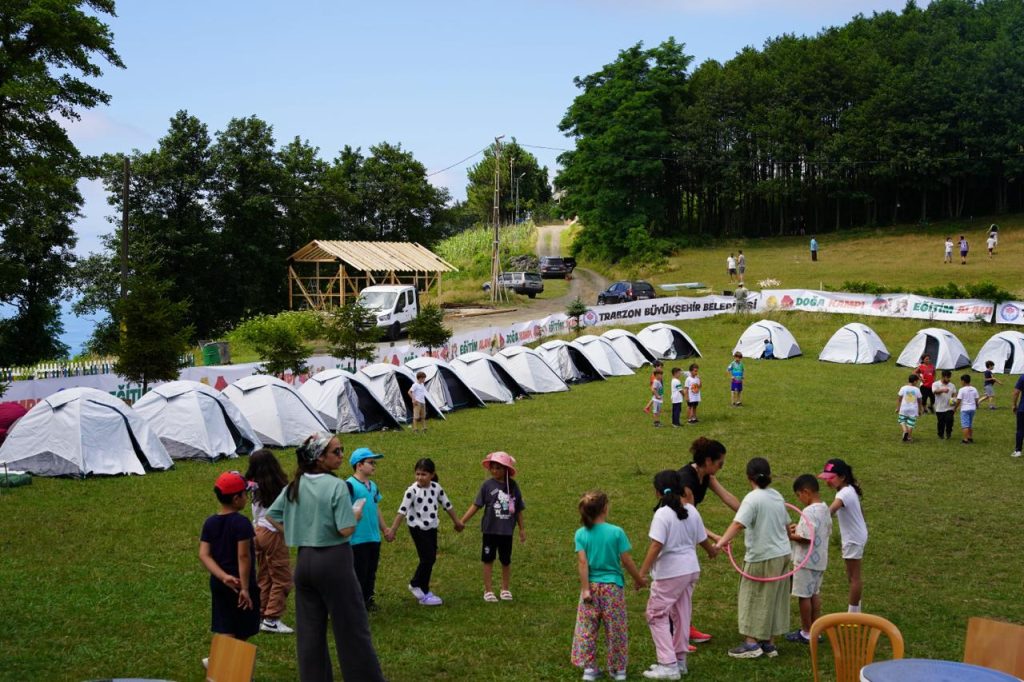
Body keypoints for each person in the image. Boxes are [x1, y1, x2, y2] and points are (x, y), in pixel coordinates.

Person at [265, 433, 385, 681]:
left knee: (310, 632)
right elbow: (345, 529)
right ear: (319, 458)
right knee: (351, 627)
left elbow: (271, 516)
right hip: (334, 560)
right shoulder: (336, 485)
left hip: (305, 561)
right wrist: (356, 515)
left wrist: (300, 531)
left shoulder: (295, 484)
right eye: (337, 452)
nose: (342, 456)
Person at [639, 471, 718, 680]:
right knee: (682, 614)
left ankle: (668, 664)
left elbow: (656, 545)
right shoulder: (691, 510)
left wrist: (642, 573)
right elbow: (702, 539)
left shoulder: (662, 514)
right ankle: (680, 661)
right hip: (690, 570)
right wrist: (712, 551)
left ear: (657, 492)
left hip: (670, 573)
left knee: (656, 615)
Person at [714, 457, 791, 659]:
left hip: (762, 556)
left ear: (749, 477)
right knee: (774, 597)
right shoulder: (777, 495)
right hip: (782, 554)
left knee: (752, 595)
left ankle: (751, 643)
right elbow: (786, 525)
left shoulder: (752, 498)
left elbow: (739, 524)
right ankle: (769, 643)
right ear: (770, 476)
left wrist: (721, 542)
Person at [571, 491, 645, 682]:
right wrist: (639, 579)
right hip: (613, 588)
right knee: (616, 629)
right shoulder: (616, 532)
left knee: (587, 628)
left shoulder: (581, 534)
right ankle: (618, 670)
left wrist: (585, 588)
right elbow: (626, 561)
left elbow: (582, 562)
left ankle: (589, 669)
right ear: (605, 508)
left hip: (591, 588)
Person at [678, 438, 740, 649]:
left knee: (687, 582)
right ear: (708, 460)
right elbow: (688, 519)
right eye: (720, 463)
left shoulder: (706, 476)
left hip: (686, 532)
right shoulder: (686, 483)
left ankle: (685, 626)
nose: (720, 468)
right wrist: (714, 539)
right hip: (675, 533)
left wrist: (751, 513)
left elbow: (727, 497)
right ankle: (678, 633)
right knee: (678, 583)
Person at [390, 457, 464, 606]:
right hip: (417, 527)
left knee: (431, 558)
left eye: (423, 474)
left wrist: (457, 522)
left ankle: (424, 590)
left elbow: (447, 505)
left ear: (432, 474)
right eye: (417, 474)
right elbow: (402, 511)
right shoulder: (412, 491)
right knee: (427, 558)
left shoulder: (436, 488)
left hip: (431, 526)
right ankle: (415, 584)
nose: (419, 477)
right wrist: (393, 530)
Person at [199, 471, 260, 646]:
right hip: (241, 582)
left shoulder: (210, 522)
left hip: (220, 583)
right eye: (245, 494)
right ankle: (222, 664)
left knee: (226, 624)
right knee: (244, 626)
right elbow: (243, 555)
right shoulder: (241, 523)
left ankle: (223, 661)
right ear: (236, 498)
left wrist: (222, 576)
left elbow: (204, 554)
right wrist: (245, 588)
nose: (247, 497)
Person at [460, 451, 526, 602]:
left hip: (507, 532)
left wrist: (522, 529)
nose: (495, 471)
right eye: (493, 467)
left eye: (499, 468)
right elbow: (476, 505)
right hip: (490, 531)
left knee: (505, 560)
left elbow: (518, 509)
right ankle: (488, 590)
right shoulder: (487, 486)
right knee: (488, 559)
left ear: (507, 469)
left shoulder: (513, 486)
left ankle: (505, 589)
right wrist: (462, 521)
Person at [244, 450, 293, 634]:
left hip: (257, 531)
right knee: (282, 576)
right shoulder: (279, 487)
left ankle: (261, 612)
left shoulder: (253, 486)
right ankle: (272, 618)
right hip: (272, 533)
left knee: (264, 575)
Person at [784, 475, 832, 645]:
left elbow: (806, 538)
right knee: (814, 594)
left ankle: (806, 631)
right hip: (820, 560)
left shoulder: (808, 511)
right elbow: (818, 531)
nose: (799, 499)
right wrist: (798, 529)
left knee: (803, 596)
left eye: (799, 495)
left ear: (806, 492)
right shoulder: (825, 508)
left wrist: (789, 535)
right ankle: (815, 630)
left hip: (806, 561)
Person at [346, 447, 394, 611]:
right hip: (357, 538)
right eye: (371, 462)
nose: (374, 466)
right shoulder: (350, 485)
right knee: (359, 571)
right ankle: (356, 602)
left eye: (374, 462)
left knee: (371, 570)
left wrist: (384, 529)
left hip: (373, 537)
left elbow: (376, 507)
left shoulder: (372, 485)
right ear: (359, 465)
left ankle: (368, 599)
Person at [818, 458, 867, 613]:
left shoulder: (844, 494)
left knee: (854, 578)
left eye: (831, 478)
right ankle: (856, 611)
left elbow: (830, 512)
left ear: (843, 477)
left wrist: (812, 516)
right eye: (826, 478)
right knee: (852, 577)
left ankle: (853, 615)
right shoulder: (848, 489)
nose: (828, 482)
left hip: (853, 539)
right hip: (856, 536)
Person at [954, 374, 985, 444]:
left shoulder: (962, 390)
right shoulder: (974, 389)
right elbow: (976, 399)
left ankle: (965, 439)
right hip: (972, 408)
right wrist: (977, 406)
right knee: (970, 424)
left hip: (965, 409)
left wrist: (955, 408)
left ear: (963, 381)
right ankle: (970, 437)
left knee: (965, 425)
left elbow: (958, 400)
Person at [896, 374, 924, 443]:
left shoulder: (903, 388)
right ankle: (909, 437)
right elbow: (920, 400)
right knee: (910, 423)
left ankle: (905, 431)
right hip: (913, 409)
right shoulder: (917, 389)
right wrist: (920, 409)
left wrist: (897, 408)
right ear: (914, 381)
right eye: (917, 381)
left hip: (904, 408)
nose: (917, 383)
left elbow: (899, 399)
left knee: (901, 420)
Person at [933, 370, 956, 440]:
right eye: (947, 377)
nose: (949, 379)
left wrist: (954, 400)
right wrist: (942, 390)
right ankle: (940, 434)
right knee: (941, 422)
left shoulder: (952, 385)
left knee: (950, 420)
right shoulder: (936, 384)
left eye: (949, 377)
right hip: (939, 407)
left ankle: (948, 432)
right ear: (942, 377)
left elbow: (954, 393)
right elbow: (934, 391)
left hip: (949, 407)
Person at [1012, 374, 1024, 457]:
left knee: (1020, 429)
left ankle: (1018, 450)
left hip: (1023, 408)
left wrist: (1014, 405)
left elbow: (1016, 392)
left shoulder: (1023, 377)